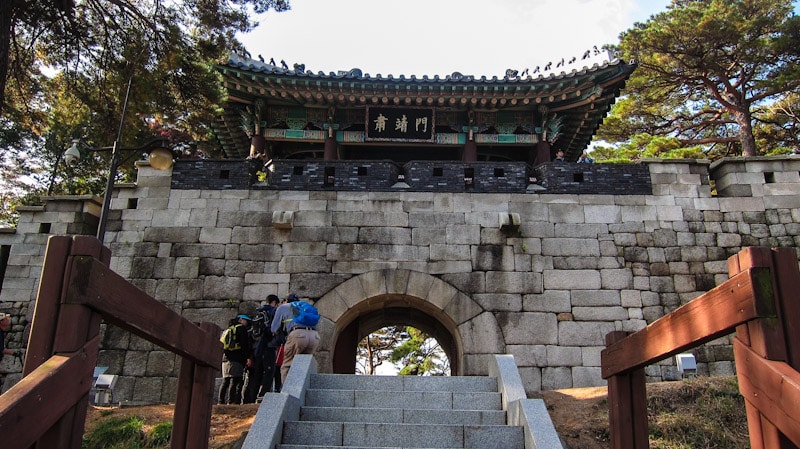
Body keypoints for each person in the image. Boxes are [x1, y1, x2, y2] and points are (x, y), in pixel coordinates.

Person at [271, 294, 320, 384]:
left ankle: (287, 392)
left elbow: (274, 328)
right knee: (305, 364)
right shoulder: (306, 307)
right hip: (314, 336)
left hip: (297, 335)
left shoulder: (283, 307)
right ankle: (303, 387)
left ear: (286, 300)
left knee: (287, 364)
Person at [245, 294, 280, 402]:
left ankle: (252, 397)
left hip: (257, 349)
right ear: (274, 302)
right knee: (269, 372)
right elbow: (274, 328)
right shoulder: (272, 312)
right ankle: (263, 395)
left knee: (258, 373)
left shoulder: (258, 313)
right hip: (267, 347)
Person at [218, 314, 252, 405]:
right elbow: (244, 345)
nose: (247, 323)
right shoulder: (241, 329)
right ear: (240, 320)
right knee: (235, 379)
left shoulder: (228, 329)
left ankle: (220, 401)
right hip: (236, 358)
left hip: (225, 358)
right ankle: (231, 401)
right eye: (246, 321)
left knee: (225, 380)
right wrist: (248, 357)